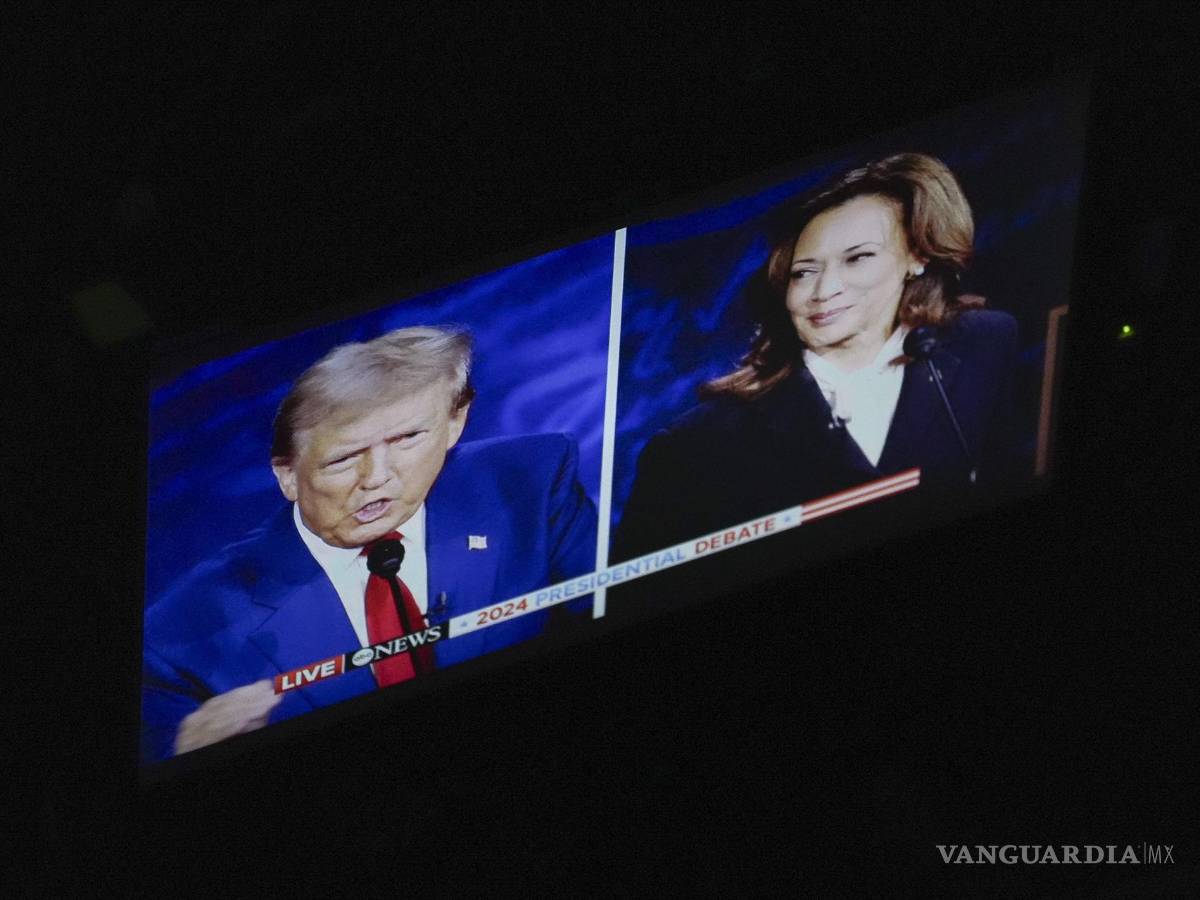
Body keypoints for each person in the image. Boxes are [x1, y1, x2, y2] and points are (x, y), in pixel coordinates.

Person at [142, 326, 597, 762]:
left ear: (455, 422)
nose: (377, 478)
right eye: (343, 458)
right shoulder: (181, 634)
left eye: (407, 439)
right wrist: (181, 750)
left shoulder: (530, 483)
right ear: (286, 475)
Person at [613, 153, 1026, 562]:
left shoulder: (984, 343)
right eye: (804, 272)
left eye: (857, 258)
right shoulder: (694, 446)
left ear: (917, 257)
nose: (825, 290)